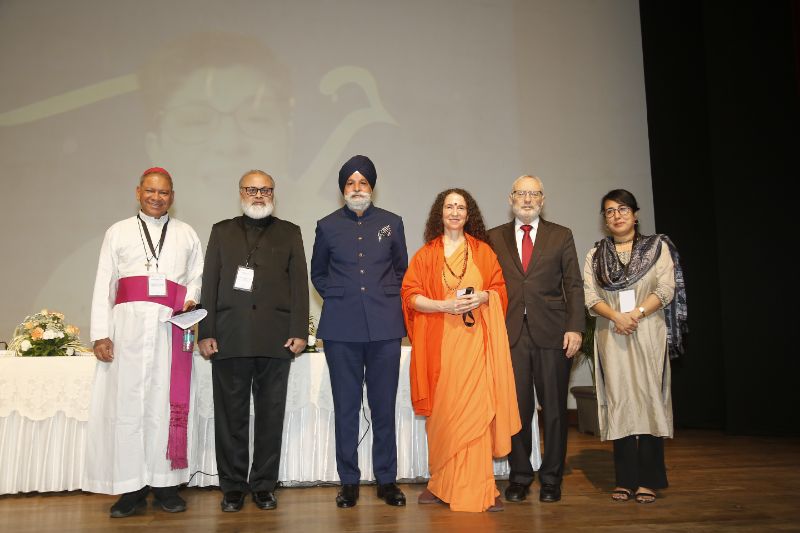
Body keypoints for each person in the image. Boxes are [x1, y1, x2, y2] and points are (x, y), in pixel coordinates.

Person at [84, 167, 203, 517]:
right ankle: (130, 486)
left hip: (170, 331)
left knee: (164, 407)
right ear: (138, 192)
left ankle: (165, 484)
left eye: (164, 192)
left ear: (172, 197)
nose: (156, 197)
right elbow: (104, 283)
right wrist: (101, 333)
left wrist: (191, 300)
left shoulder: (186, 234)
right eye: (150, 191)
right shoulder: (118, 231)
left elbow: (196, 276)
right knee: (128, 408)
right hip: (128, 333)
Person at [401, 188, 521, 513]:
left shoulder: (483, 252)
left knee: (475, 413)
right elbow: (410, 296)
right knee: (444, 415)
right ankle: (441, 482)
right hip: (440, 348)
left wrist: (483, 297)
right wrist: (444, 305)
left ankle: (481, 486)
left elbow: (499, 291)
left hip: (475, 346)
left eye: (461, 207)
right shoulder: (426, 254)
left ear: (469, 215)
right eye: (449, 206)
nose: (455, 212)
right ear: (440, 213)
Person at [198, 170, 309, 512]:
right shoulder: (221, 231)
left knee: (270, 416)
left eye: (265, 190)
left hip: (276, 338)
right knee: (230, 417)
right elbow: (209, 283)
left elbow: (299, 284)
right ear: (241, 193)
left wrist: (299, 330)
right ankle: (232, 487)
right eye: (252, 189)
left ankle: (263, 486)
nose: (259, 195)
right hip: (228, 337)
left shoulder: (290, 232)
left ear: (273, 194)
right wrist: (206, 331)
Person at [310, 155, 408, 508]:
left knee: (383, 407)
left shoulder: (391, 223)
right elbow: (318, 273)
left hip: (385, 328)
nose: (357, 188)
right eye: (350, 183)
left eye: (362, 182)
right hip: (341, 329)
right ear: (342, 189)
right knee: (346, 407)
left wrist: (383, 297)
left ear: (371, 187)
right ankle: (348, 481)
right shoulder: (327, 225)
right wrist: (340, 297)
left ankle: (387, 480)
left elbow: (402, 270)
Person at [583, 189, 687, 504]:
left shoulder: (657, 248)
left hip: (648, 331)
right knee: (620, 401)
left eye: (623, 209)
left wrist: (636, 314)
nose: (617, 216)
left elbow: (666, 288)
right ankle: (625, 480)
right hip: (612, 333)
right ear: (604, 219)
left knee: (650, 399)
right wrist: (617, 316)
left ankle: (650, 480)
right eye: (610, 211)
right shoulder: (595, 255)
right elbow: (590, 296)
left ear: (635, 214)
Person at [487, 175, 584, 503]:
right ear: (511, 198)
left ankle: (552, 478)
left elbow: (573, 285)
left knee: (554, 409)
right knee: (516, 408)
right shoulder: (493, 237)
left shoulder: (561, 235)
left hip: (554, 333)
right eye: (521, 193)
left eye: (534, 194)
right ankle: (520, 476)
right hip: (510, 334)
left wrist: (575, 327)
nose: (527, 199)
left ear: (542, 199)